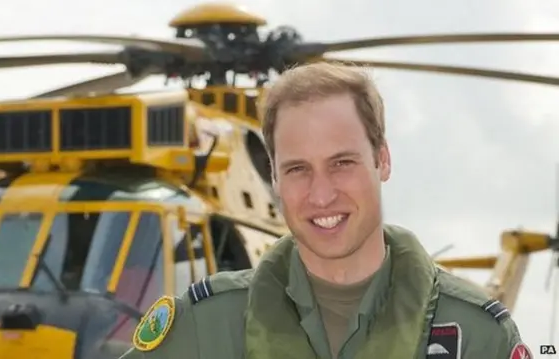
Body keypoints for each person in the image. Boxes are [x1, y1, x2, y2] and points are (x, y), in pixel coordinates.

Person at [119, 61, 531, 359]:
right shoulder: (202, 324)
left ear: (382, 160)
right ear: (275, 179)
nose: (321, 195)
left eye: (342, 163)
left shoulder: (479, 335)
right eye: (297, 169)